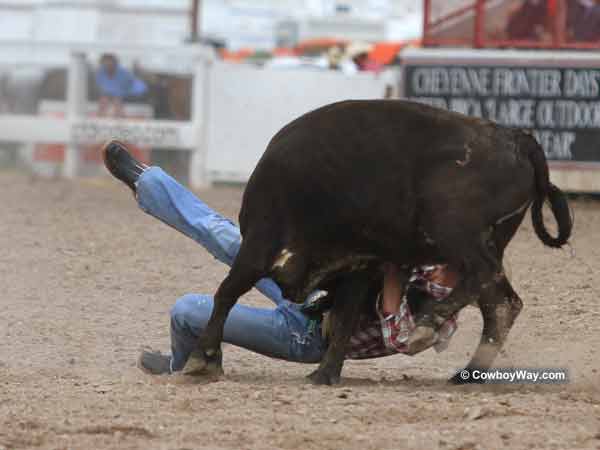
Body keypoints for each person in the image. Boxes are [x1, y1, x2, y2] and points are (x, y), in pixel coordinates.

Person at [101, 140, 460, 376]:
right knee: (227, 236)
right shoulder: (430, 249)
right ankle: (148, 181)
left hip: (308, 335)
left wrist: (393, 265)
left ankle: (182, 364)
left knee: (187, 311)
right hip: (315, 289)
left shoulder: (442, 310)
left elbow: (400, 338)